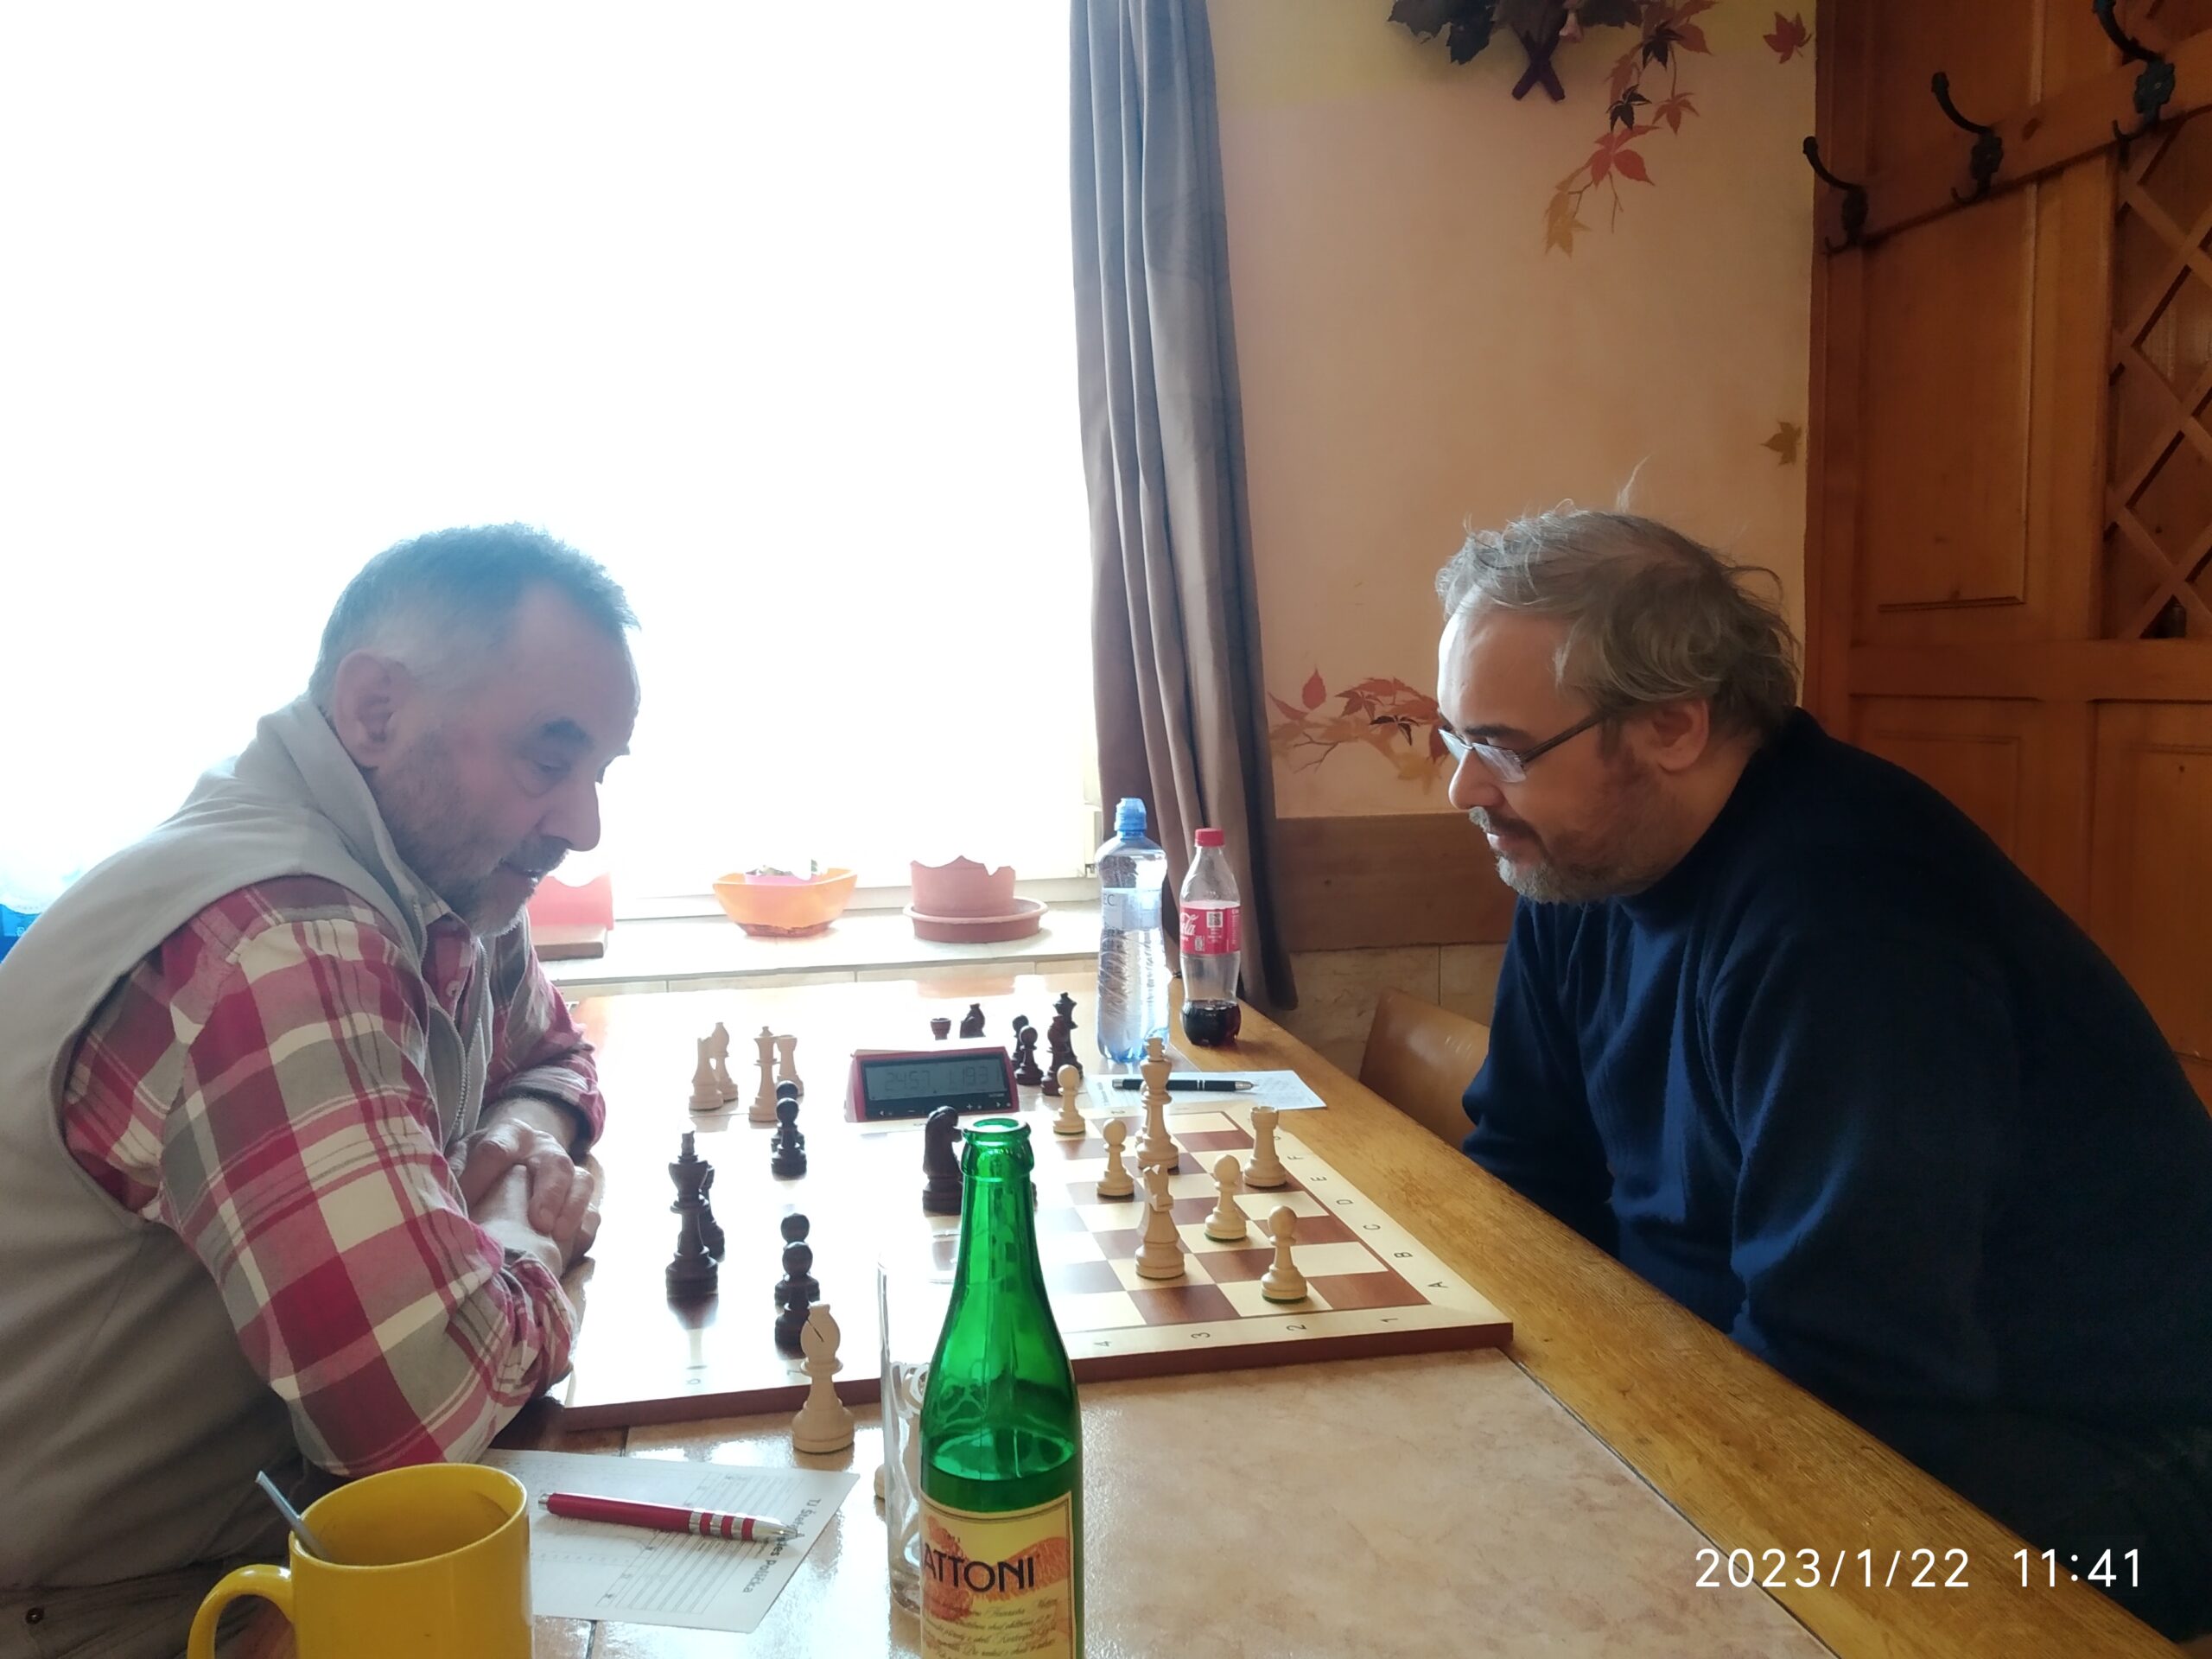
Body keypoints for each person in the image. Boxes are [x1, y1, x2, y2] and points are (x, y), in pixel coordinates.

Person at [1436, 507, 2212, 1641]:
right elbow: (1525, 1172)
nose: (1464, 790)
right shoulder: (1583, 859)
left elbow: (1847, 1367)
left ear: (1673, 726)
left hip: (2098, 1452)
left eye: (1502, 747)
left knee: (1595, 1601)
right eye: (1451, 738)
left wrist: (1627, 1487)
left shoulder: (1849, 918)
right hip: (1801, 1392)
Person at [0, 524, 639, 1659]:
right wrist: (519, 1231)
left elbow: (551, 1052)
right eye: (550, 759)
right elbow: (421, 1435)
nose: (583, 825)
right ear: (376, 710)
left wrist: (523, 1133)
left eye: (600, 772)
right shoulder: (284, 936)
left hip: (259, 1537)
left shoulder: (444, 874)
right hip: (105, 1608)